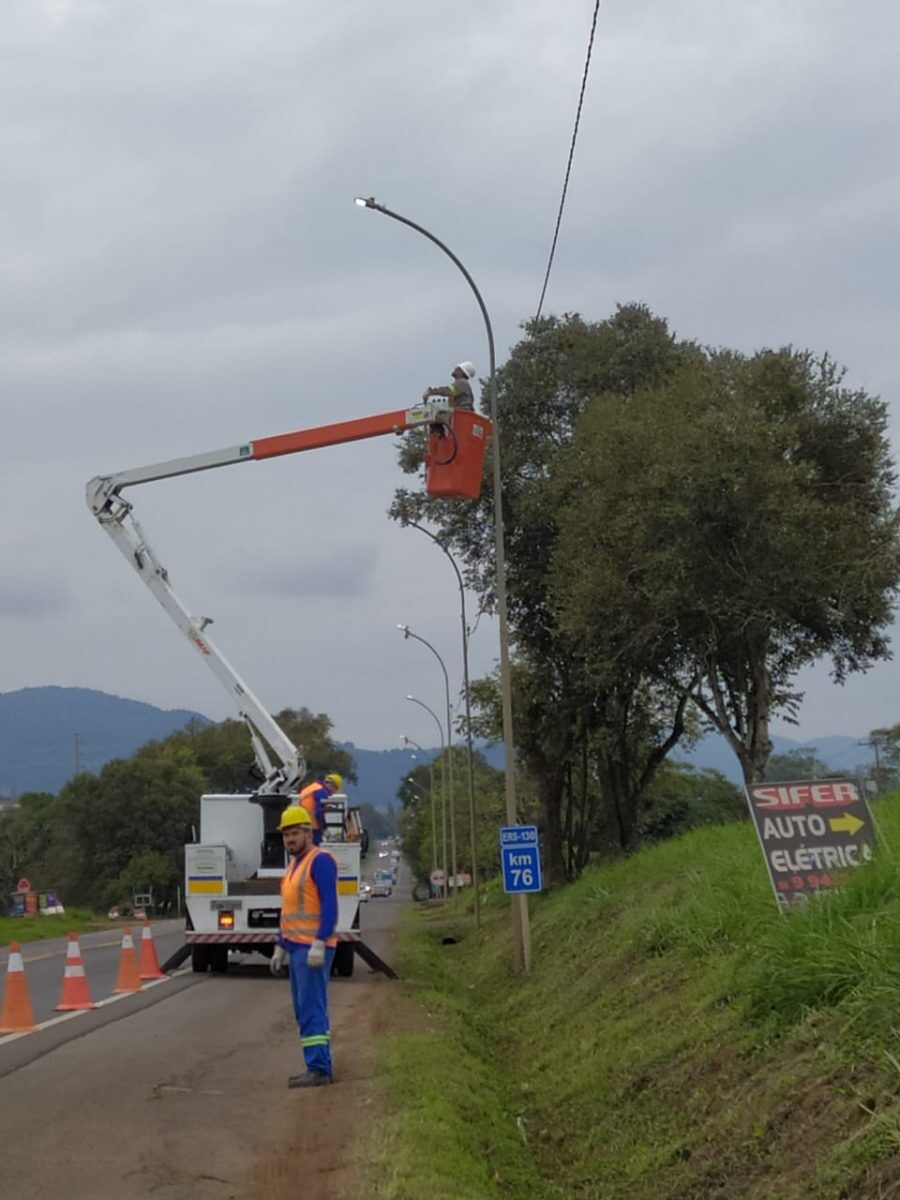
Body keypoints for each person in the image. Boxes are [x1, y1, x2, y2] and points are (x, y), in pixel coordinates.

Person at [270, 804, 339, 1088]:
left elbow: (330, 907)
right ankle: (317, 1063)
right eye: (286, 835)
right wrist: (280, 945)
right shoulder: (293, 866)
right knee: (303, 1009)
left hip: (312, 949)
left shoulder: (320, 861)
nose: (290, 840)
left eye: (295, 833)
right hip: (296, 947)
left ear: (308, 833)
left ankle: (319, 1068)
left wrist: (320, 943)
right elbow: (289, 910)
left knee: (312, 1009)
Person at [297, 772, 343, 846]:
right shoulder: (322, 792)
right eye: (335, 789)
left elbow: (310, 804)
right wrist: (323, 826)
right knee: (315, 852)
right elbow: (318, 812)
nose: (333, 793)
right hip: (313, 827)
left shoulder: (313, 787)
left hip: (301, 825)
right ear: (333, 785)